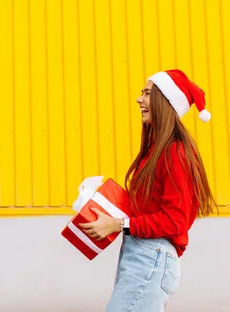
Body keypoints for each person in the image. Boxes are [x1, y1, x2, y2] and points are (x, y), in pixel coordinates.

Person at [79, 69, 218, 311]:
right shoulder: (157, 151)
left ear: (165, 101)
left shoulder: (175, 152)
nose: (139, 99)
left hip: (151, 258)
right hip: (142, 256)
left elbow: (175, 221)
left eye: (147, 93)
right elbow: (149, 209)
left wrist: (118, 225)